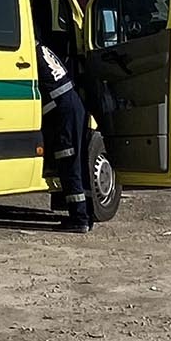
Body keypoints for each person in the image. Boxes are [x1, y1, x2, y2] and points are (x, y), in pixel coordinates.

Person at [37, 21, 97, 234]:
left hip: (63, 110)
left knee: (69, 162)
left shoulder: (30, 52)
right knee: (79, 162)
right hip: (72, 104)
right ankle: (87, 215)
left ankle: (79, 219)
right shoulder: (42, 48)